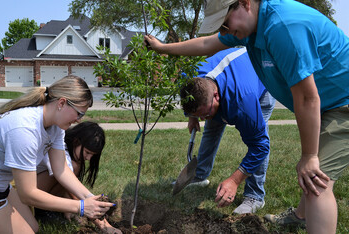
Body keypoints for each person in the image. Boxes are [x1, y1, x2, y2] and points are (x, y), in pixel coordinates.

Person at [145, 0, 349, 233]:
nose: (224, 32)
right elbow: (205, 43)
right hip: (327, 101)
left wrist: (309, 155)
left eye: (224, 23)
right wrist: (162, 48)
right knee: (309, 169)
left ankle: (263, 198)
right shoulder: (247, 28)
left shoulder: (283, 28)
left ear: (244, 3)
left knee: (316, 181)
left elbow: (306, 99)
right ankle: (301, 216)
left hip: (343, 102)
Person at [0, 75, 114, 233]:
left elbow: (61, 170)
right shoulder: (24, 129)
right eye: (79, 113)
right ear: (62, 103)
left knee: (32, 227)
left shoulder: (55, 126)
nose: (79, 119)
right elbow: (28, 194)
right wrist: (81, 207)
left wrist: (91, 199)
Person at [179, 47, 275, 214]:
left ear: (216, 96)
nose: (204, 118)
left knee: (258, 138)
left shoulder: (243, 101)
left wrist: (235, 180)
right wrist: (192, 116)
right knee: (211, 130)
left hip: (261, 84)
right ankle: (199, 176)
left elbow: (260, 146)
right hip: (225, 87)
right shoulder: (190, 79)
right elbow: (194, 103)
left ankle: (255, 196)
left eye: (205, 113)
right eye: (200, 115)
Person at [36, 121, 121, 234]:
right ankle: (41, 211)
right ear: (76, 141)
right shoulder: (60, 152)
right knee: (71, 169)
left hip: (40, 187)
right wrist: (103, 225)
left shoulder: (71, 155)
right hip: (28, 192)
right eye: (87, 152)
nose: (89, 158)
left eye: (93, 155)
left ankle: (49, 210)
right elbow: (72, 189)